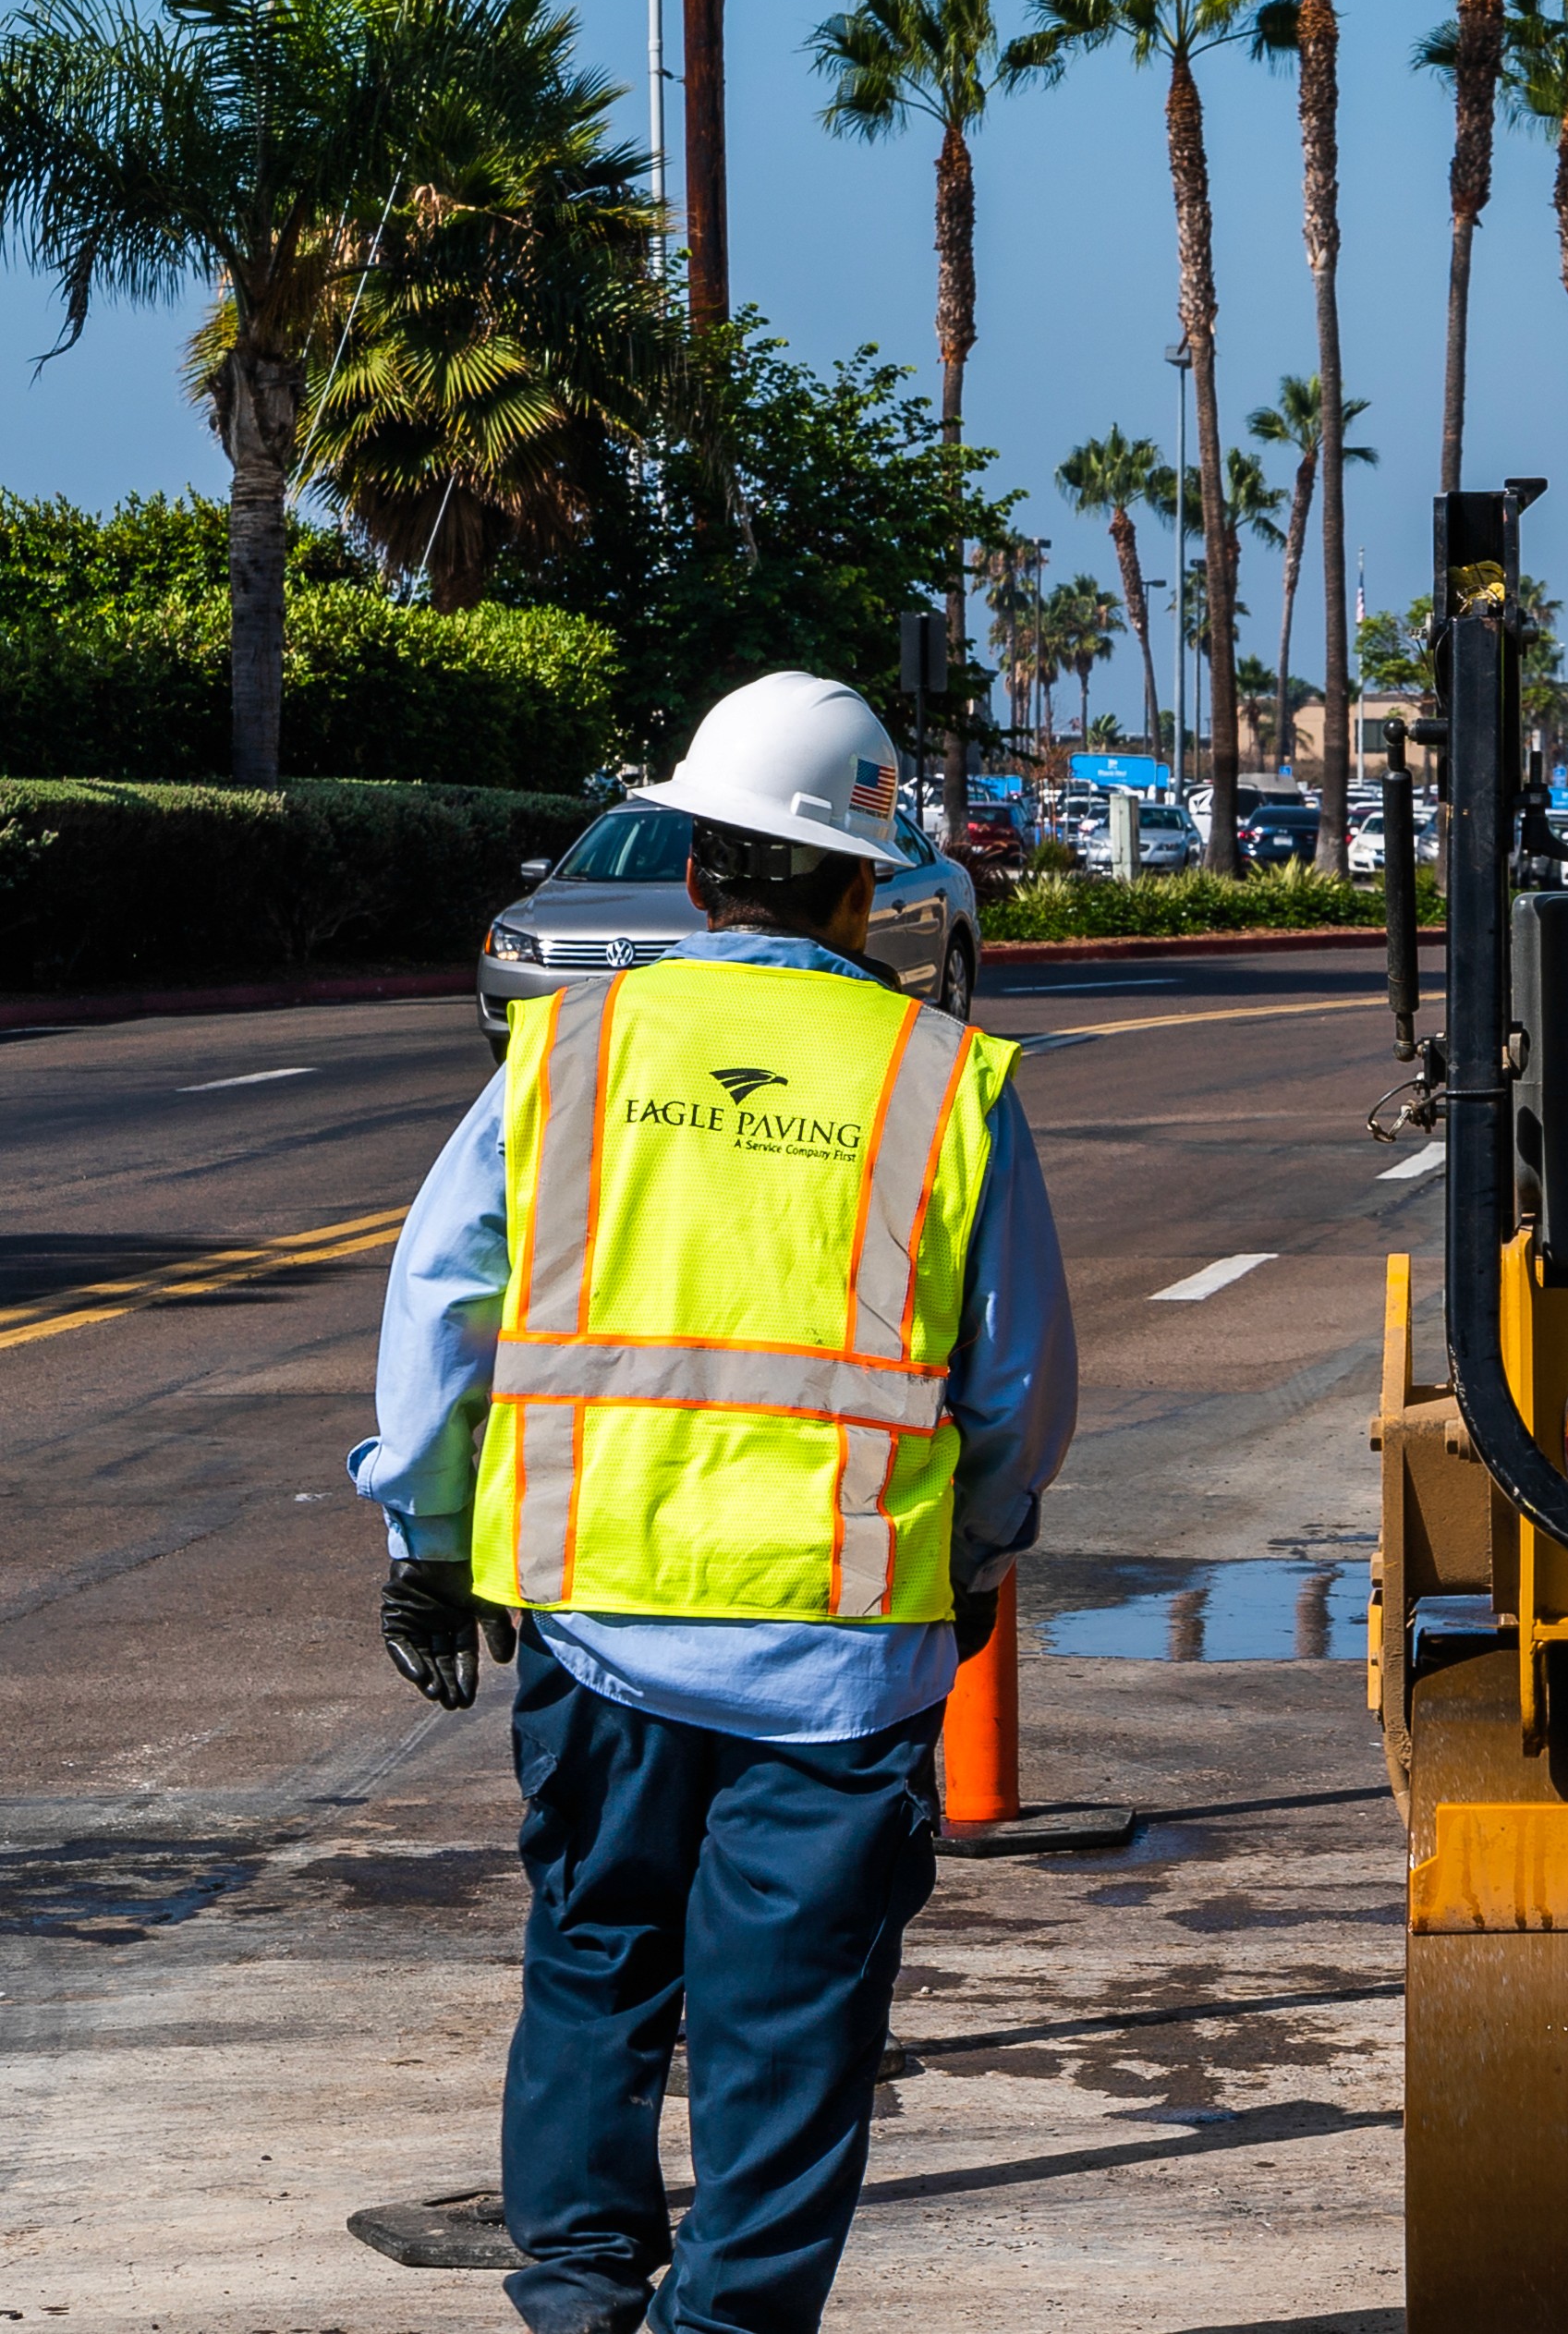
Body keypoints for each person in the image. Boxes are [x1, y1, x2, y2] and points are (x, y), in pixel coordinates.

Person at [350, 671, 1078, 2334]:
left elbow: (442, 1305)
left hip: (599, 1625)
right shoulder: (939, 1078)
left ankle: (581, 2294)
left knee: (597, 1969)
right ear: (861, 885)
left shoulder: (569, 1049)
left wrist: (429, 1538)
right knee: (790, 2023)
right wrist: (972, 1558)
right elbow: (1014, 1384)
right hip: (839, 1661)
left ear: (693, 869)